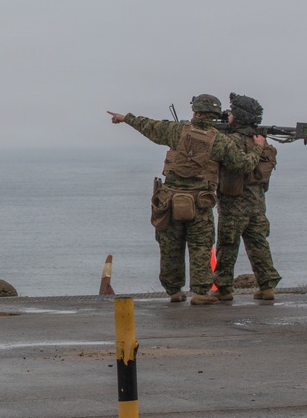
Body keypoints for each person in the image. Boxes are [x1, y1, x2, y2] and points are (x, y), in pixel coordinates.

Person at [108, 94, 266, 305]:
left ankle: (174, 292)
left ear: (195, 111)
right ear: (215, 114)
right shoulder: (220, 140)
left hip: (169, 201)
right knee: (200, 247)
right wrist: (258, 148)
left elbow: (149, 126)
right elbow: (244, 164)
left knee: (170, 247)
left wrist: (125, 117)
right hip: (200, 203)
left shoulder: (176, 131)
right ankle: (200, 293)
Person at [212, 93, 281, 301]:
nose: (228, 115)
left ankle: (223, 289)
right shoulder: (261, 141)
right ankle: (267, 286)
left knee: (227, 246)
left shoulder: (230, 141)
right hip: (257, 204)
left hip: (234, 204)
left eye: (232, 112)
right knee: (259, 245)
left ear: (239, 116)